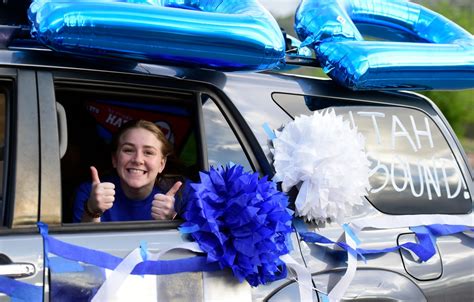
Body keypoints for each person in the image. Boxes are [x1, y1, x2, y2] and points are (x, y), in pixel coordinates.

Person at [73, 119, 182, 223]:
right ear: (115, 159)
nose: (138, 160)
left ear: (161, 164)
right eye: (128, 150)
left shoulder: (180, 196)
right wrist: (92, 211)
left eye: (148, 152)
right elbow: (82, 242)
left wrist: (171, 221)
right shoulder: (91, 192)